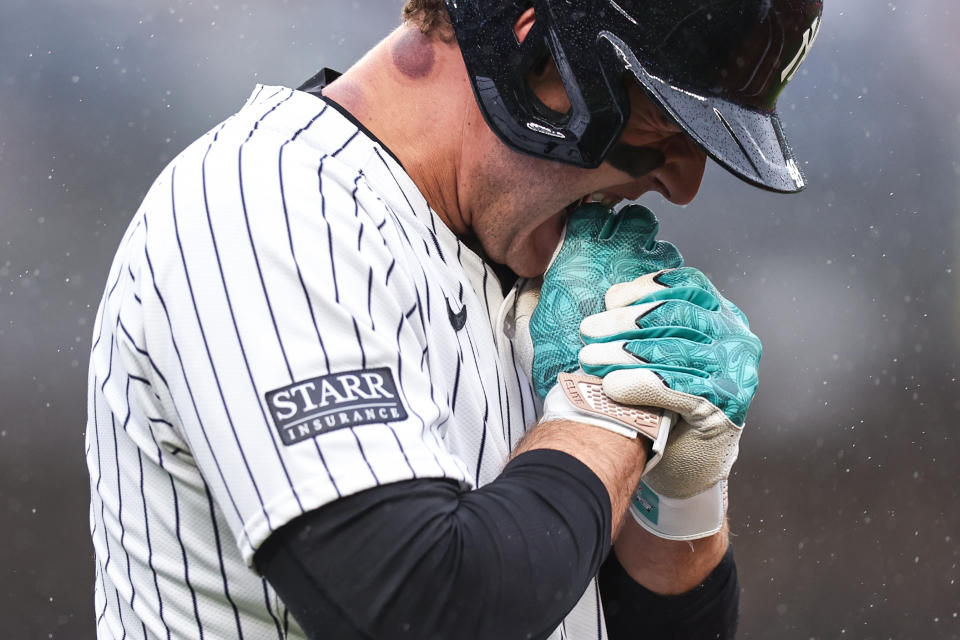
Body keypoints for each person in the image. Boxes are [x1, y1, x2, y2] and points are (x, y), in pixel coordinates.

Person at [85, 0, 823, 638]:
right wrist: (609, 413)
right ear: (533, 46)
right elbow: (420, 607)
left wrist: (682, 496)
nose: (682, 183)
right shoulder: (263, 202)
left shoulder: (525, 257)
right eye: (663, 123)